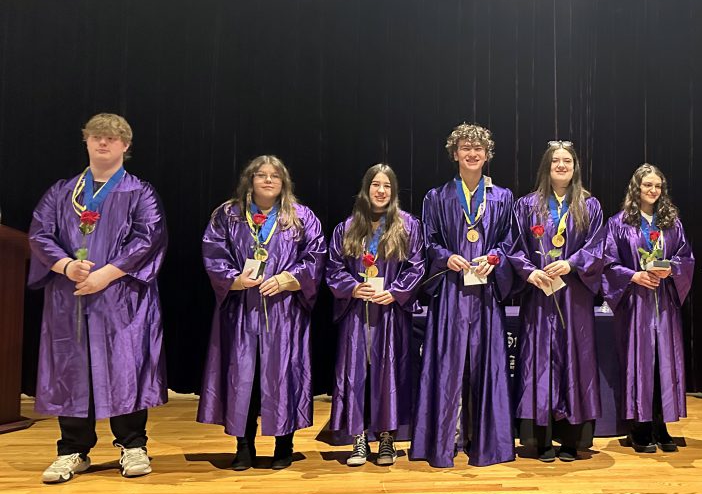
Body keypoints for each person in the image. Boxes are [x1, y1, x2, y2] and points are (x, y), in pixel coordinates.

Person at [29, 113, 167, 483]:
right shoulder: (62, 192)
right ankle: (73, 450)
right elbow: (40, 233)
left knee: (126, 366)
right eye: (96, 137)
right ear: (86, 142)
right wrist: (63, 266)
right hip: (70, 295)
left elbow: (147, 238)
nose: (103, 143)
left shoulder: (140, 193)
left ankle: (133, 445)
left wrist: (106, 274)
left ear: (125, 145)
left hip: (121, 297)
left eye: (111, 137)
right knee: (71, 370)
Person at [198, 155, 325, 470]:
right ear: (250, 180)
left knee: (283, 378)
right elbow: (213, 252)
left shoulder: (300, 217)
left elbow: (316, 255)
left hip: (285, 313)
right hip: (241, 311)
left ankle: (284, 445)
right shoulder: (228, 215)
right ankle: (244, 446)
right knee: (245, 380)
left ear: (284, 183)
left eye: (275, 176)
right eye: (261, 175)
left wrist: (288, 278)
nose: (268, 180)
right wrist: (235, 279)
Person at [410, 123, 516, 468]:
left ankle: (486, 443)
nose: (472, 154)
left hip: (486, 294)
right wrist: (445, 257)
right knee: (447, 367)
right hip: (452, 294)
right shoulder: (436, 197)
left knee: (488, 367)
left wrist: (494, 257)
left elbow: (509, 241)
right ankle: (444, 441)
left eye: (478, 149)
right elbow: (427, 241)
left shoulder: (502, 197)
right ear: (454, 153)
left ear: (487, 155)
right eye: (466, 148)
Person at [508, 141, 604, 462]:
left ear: (575, 167)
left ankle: (570, 440)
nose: (561, 166)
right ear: (546, 167)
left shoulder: (589, 206)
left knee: (575, 361)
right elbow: (514, 247)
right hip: (540, 297)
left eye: (567, 161)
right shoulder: (526, 206)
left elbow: (597, 247)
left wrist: (572, 263)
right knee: (540, 361)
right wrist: (529, 272)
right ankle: (542, 438)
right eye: (555, 161)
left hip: (573, 295)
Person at [326, 163, 426, 467]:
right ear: (366, 189)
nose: (381, 191)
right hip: (357, 313)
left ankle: (386, 439)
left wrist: (395, 291)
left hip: (390, 314)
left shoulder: (408, 226)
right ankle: (358, 438)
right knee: (356, 374)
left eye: (386, 186)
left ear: (393, 191)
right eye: (375, 185)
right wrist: (353, 288)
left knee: (389, 375)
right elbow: (333, 268)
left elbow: (417, 266)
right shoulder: (348, 227)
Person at [602, 163, 695, 453]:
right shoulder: (619, 223)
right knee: (638, 362)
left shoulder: (671, 223)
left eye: (657, 186)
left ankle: (660, 423)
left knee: (663, 363)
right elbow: (606, 262)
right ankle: (638, 427)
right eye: (647, 186)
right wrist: (633, 275)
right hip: (635, 304)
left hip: (664, 303)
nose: (653, 191)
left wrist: (673, 269)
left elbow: (686, 257)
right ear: (636, 189)